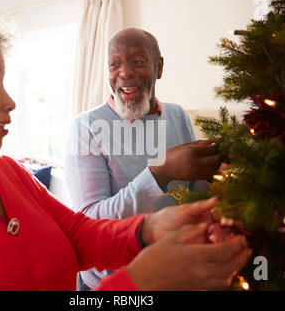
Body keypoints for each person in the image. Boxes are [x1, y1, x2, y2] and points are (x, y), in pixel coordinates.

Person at [0, 13, 251, 291]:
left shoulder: (5, 170)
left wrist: (151, 229)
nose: (11, 102)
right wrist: (141, 281)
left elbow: (78, 233)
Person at [65, 27, 223, 290]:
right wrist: (160, 172)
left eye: (137, 62)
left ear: (159, 67)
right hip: (115, 283)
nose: (124, 73)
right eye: (114, 64)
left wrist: (217, 176)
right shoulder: (86, 127)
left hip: (175, 273)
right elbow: (90, 223)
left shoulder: (177, 115)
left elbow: (195, 191)